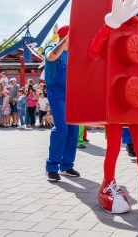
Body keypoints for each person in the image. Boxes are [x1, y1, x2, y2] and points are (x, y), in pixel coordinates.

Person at [44, 25, 80, 181]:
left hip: (72, 94)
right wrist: (66, 40)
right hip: (56, 93)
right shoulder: (52, 47)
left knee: (73, 129)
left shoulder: (74, 53)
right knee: (61, 128)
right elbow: (51, 57)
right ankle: (52, 166)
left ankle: (67, 166)